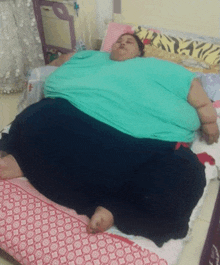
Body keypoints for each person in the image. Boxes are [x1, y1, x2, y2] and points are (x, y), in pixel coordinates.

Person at [0, 33, 219, 247]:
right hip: (71, 121)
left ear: (140, 53)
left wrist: (209, 123)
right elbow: (59, 63)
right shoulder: (91, 57)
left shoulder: (157, 67)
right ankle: (21, 159)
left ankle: (117, 209)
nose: (122, 43)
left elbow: (192, 89)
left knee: (184, 172)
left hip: (137, 144)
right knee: (38, 114)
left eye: (129, 42)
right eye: (118, 41)